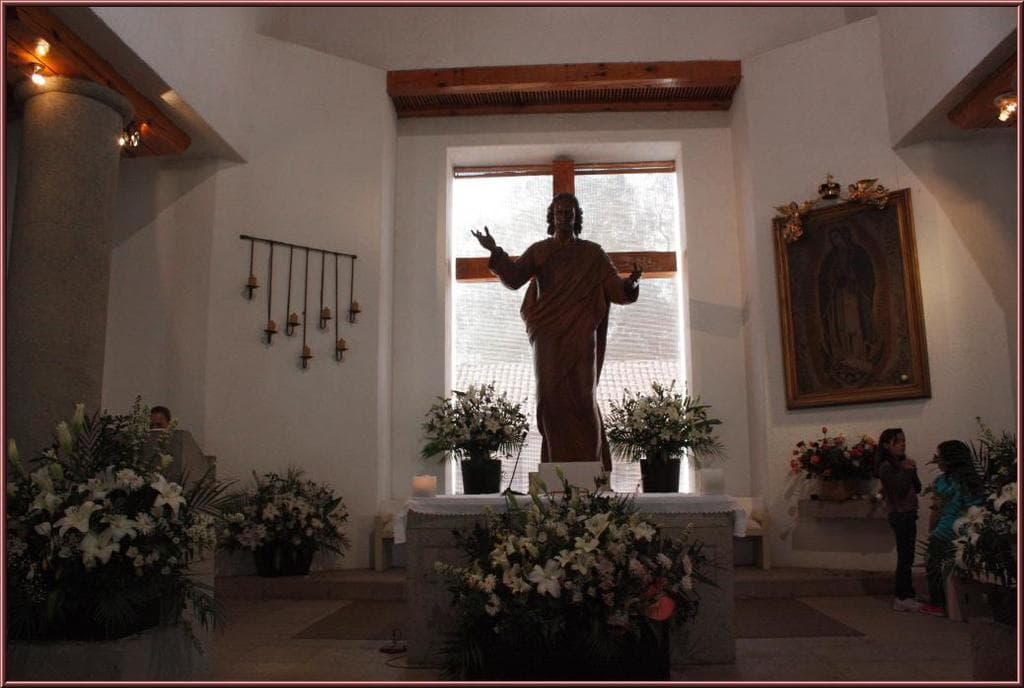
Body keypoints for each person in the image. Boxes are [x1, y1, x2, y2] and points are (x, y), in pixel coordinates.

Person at [472, 193, 642, 471]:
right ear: (552, 216)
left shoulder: (593, 253)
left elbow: (614, 288)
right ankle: (555, 467)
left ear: (577, 217)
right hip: (548, 338)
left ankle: (589, 467)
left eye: (569, 212)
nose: (564, 217)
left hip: (581, 336)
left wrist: (630, 284)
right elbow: (514, 278)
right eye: (559, 212)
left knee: (583, 399)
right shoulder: (539, 251)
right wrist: (495, 251)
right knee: (550, 399)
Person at [920, 439, 983, 617]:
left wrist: (932, 530)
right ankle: (959, 603)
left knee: (933, 564)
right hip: (966, 530)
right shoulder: (970, 481)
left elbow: (937, 510)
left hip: (946, 529)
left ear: (949, 460)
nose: (936, 459)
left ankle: (938, 603)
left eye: (939, 456)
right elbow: (976, 507)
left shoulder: (943, 482)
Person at [818, 226, 879, 381]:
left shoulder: (857, 254)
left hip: (852, 295)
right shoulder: (830, 258)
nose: (836, 242)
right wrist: (834, 279)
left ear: (845, 237)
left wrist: (851, 278)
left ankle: (857, 355)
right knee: (838, 326)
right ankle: (840, 356)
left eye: (837, 237)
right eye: (833, 239)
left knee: (853, 325)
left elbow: (866, 277)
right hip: (836, 297)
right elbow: (824, 280)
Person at [876, 427, 922, 612]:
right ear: (886, 445)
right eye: (898, 441)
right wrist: (907, 471)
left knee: (908, 556)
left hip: (909, 512)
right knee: (905, 557)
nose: (902, 444)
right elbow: (900, 491)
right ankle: (902, 597)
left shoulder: (903, 463)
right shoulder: (886, 467)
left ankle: (908, 593)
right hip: (900, 514)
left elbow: (917, 488)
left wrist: (912, 470)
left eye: (904, 441)